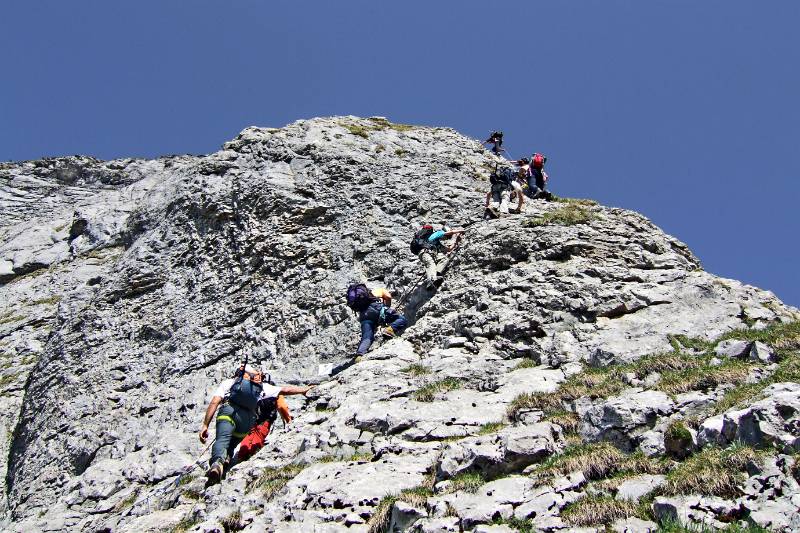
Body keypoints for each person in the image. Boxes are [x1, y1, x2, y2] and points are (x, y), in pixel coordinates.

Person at [199, 366, 313, 483]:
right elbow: (286, 390)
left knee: (222, 439)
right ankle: (226, 460)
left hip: (229, 413)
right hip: (247, 421)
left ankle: (217, 463)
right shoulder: (262, 387)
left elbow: (214, 402)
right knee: (232, 444)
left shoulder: (229, 383)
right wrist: (303, 390)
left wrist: (205, 425)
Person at [346, 284, 409, 355]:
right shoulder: (379, 290)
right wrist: (386, 309)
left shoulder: (362, 300)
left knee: (367, 337)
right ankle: (389, 330)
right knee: (402, 319)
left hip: (363, 316)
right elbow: (388, 297)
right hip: (376, 308)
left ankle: (360, 354)